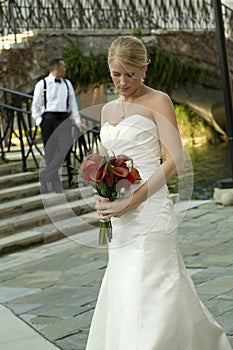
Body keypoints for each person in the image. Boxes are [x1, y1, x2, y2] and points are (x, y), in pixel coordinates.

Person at [85, 36, 232, 350]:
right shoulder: (108, 109)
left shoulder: (158, 101)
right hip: (120, 222)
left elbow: (175, 159)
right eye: (116, 74)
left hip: (150, 212)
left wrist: (132, 200)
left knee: (153, 287)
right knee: (125, 288)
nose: (123, 82)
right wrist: (103, 194)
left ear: (145, 68)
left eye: (131, 73)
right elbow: (105, 161)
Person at [32, 57, 82, 193]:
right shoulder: (42, 84)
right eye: (63, 67)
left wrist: (77, 121)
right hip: (48, 119)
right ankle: (55, 183)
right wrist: (40, 121)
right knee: (50, 152)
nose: (65, 69)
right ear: (56, 68)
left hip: (64, 119)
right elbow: (35, 106)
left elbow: (73, 104)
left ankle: (44, 176)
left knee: (65, 149)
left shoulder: (67, 84)